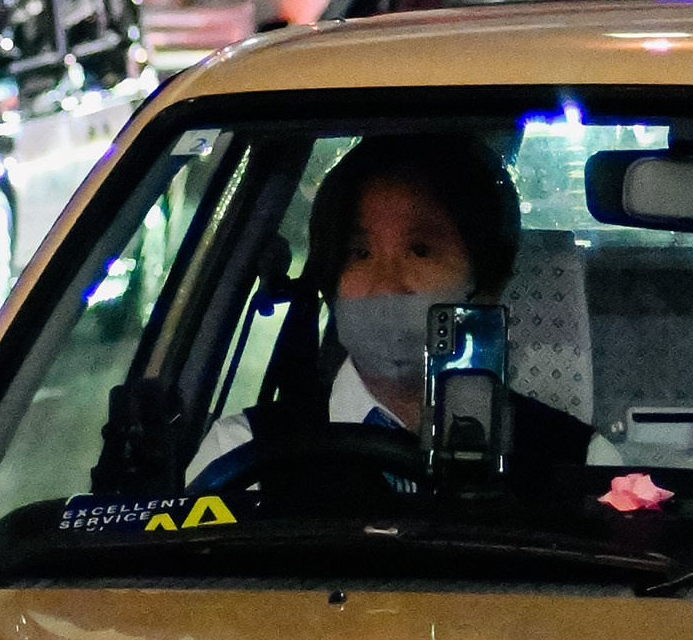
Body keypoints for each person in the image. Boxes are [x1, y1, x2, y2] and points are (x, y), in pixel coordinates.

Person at [190, 131, 601, 489]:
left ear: (489, 284)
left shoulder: (583, 461)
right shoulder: (243, 454)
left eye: (420, 250)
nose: (387, 283)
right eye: (360, 253)